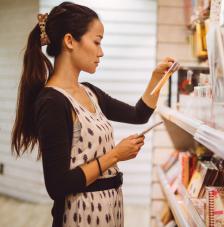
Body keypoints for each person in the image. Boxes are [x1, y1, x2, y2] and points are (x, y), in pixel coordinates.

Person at [10, 2, 176, 227]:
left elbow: (139, 115)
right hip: (79, 216)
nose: (101, 52)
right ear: (69, 41)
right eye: (96, 42)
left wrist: (158, 78)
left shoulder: (90, 92)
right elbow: (57, 185)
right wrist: (115, 155)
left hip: (110, 211)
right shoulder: (52, 102)